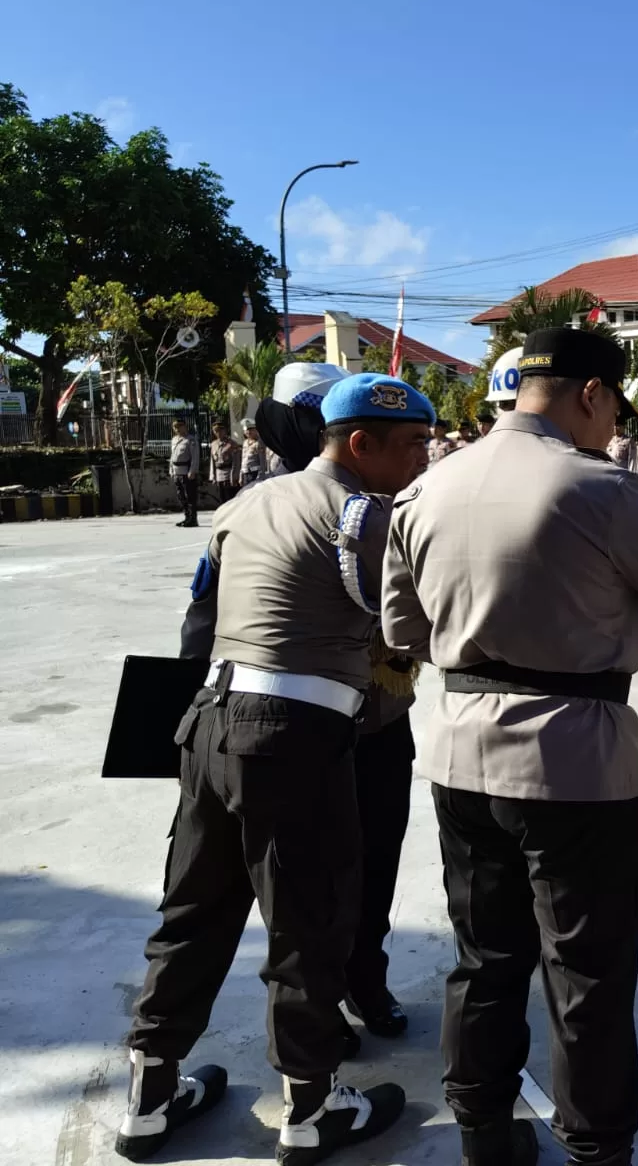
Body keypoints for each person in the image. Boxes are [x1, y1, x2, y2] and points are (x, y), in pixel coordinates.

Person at [382, 327, 638, 1166]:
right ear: (591, 394)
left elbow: (403, 630)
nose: (614, 423)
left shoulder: (428, 488)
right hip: (573, 763)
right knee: (585, 973)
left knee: (483, 960)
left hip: (459, 757)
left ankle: (483, 1135)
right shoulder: (605, 490)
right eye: (614, 406)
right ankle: (596, 1149)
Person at [117, 373, 434, 1165]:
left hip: (208, 725)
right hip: (294, 738)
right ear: (360, 445)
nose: (423, 461)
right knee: (308, 923)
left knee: (191, 912)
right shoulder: (363, 516)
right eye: (414, 446)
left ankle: (150, 1097)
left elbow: (204, 613)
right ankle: (311, 1107)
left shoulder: (244, 503)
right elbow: (409, 633)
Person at [170, 417, 200, 527]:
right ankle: (187, 517)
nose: (177, 429)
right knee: (181, 496)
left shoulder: (190, 440)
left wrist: (193, 471)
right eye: (175, 427)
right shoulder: (174, 440)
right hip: (177, 471)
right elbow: (172, 456)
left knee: (190, 496)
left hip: (186, 471)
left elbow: (195, 457)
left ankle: (193, 519)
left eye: (179, 426)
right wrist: (172, 470)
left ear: (184, 427)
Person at [209, 428, 239, 505]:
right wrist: (213, 476)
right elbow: (212, 461)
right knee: (221, 499)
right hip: (219, 475)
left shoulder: (232, 443)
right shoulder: (214, 444)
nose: (219, 433)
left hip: (228, 474)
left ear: (225, 431)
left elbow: (236, 462)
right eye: (216, 431)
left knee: (230, 499)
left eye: (221, 430)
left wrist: (234, 476)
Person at [239, 420, 266, 486]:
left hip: (255, 473)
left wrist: (261, 475)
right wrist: (241, 475)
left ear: (255, 430)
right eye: (246, 430)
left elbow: (262, 460)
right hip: (245, 473)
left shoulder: (259, 443)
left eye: (251, 429)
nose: (248, 432)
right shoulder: (245, 442)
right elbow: (243, 460)